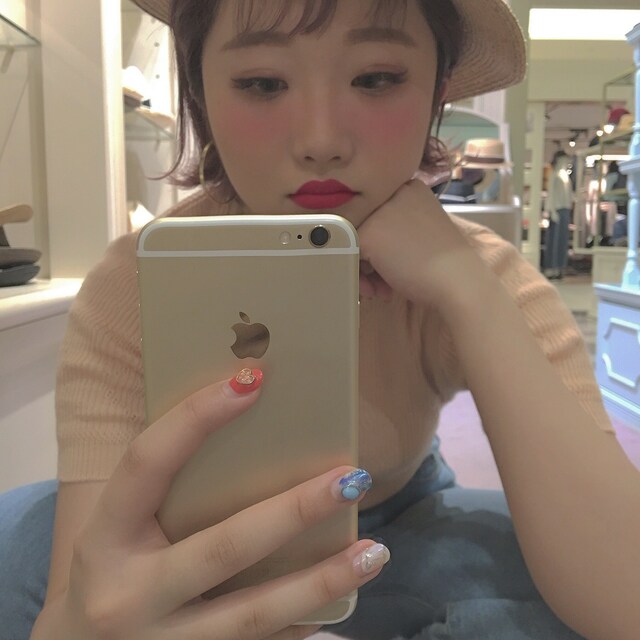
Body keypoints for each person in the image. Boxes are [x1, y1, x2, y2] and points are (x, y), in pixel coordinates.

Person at [1, 1, 639, 639]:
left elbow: (625, 597)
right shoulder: (138, 282)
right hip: (185, 525)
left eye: (376, 78)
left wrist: (467, 291)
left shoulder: (478, 271)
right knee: (19, 548)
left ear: (437, 91)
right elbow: (81, 605)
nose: (321, 141)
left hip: (398, 507)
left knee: (550, 574)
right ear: (200, 91)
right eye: (262, 83)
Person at [543, 150, 573, 280]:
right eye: (563, 159)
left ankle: (560, 267)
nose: (565, 162)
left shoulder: (565, 175)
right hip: (557, 210)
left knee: (562, 241)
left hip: (565, 210)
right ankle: (551, 268)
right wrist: (551, 210)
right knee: (554, 241)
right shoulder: (555, 175)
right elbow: (551, 194)